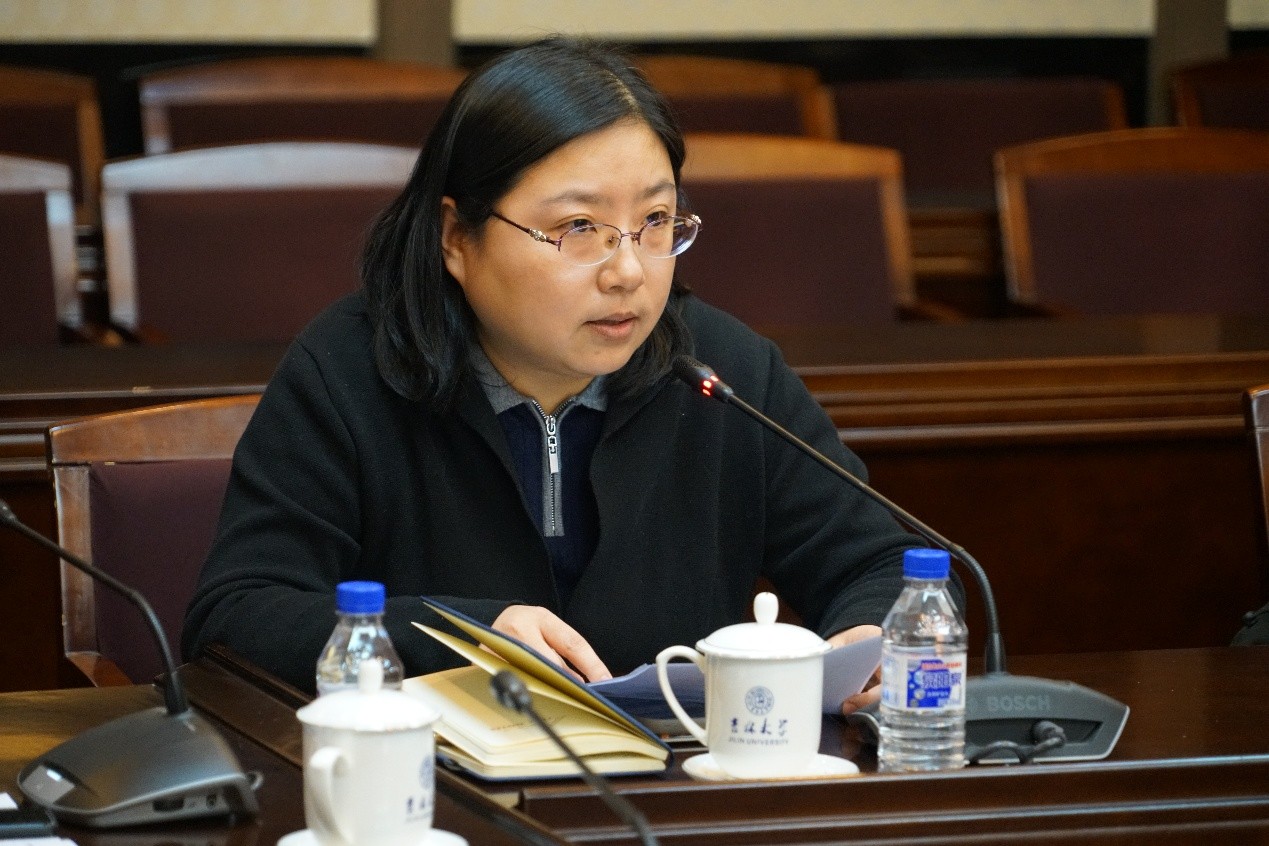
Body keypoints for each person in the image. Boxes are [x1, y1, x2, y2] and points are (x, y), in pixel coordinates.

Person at [181, 36, 926, 713]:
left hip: (677, 786)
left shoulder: (722, 373)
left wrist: (867, 640)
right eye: (578, 229)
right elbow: (237, 616)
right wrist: (463, 635)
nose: (628, 272)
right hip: (433, 786)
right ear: (456, 237)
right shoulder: (348, 372)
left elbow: (881, 563)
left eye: (655, 222)